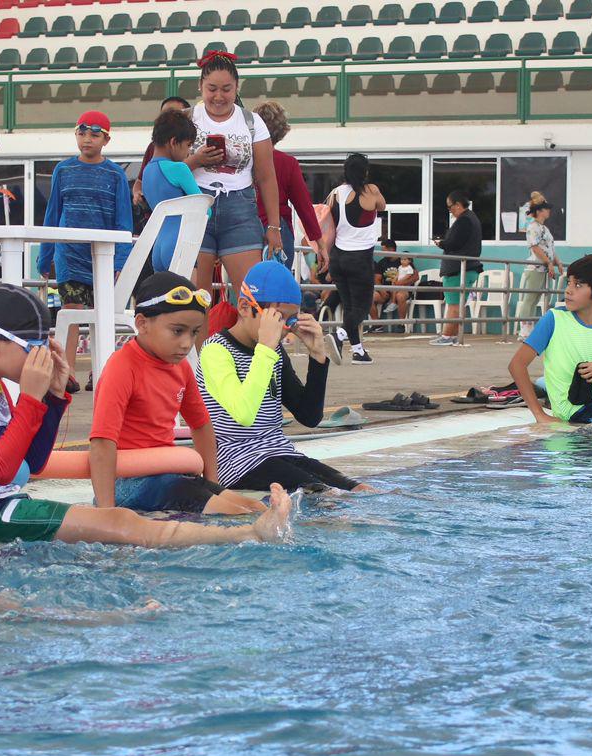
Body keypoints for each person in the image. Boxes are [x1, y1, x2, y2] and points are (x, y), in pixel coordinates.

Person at [0, 286, 291, 548]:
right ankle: (247, 535)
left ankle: (247, 531)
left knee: (117, 525)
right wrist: (31, 399)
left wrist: (52, 398)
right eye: (33, 348)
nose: (40, 358)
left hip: (2, 503)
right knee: (119, 523)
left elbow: (29, 464)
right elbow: (0, 469)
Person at [89, 271, 267, 515]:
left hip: (168, 474)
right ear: (142, 323)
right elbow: (101, 442)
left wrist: (213, 484)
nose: (186, 343)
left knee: (251, 506)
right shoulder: (122, 367)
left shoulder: (180, 367)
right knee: (232, 513)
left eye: (194, 332)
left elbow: (202, 425)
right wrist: (106, 513)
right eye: (177, 331)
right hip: (128, 484)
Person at [199, 260, 366, 493]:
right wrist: (265, 351)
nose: (285, 329)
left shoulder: (273, 351)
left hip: (278, 451)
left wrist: (318, 357)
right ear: (245, 307)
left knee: (358, 489)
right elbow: (244, 414)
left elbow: (309, 417)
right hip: (234, 460)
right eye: (278, 318)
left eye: (291, 320)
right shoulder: (215, 351)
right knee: (323, 495)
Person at [37, 109, 131, 388]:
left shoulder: (115, 175)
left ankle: (101, 371)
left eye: (94, 134)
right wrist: (45, 256)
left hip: (102, 257)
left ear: (106, 139)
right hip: (69, 255)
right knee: (72, 310)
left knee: (103, 315)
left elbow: (123, 221)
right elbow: (52, 215)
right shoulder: (63, 170)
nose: (87, 139)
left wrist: (120, 263)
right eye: (82, 132)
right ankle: (66, 373)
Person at [183, 51, 284, 300]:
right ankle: (200, 342)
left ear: (237, 87)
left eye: (226, 89)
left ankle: (248, 340)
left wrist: (274, 226)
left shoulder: (252, 122)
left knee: (249, 296)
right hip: (196, 205)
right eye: (212, 89)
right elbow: (165, 168)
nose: (219, 97)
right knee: (197, 298)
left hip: (240, 210)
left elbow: (267, 177)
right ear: (200, 86)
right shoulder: (186, 119)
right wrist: (197, 160)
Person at [508, 254, 592, 425]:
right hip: (570, 410)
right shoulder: (554, 319)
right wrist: (539, 415)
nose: (568, 290)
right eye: (568, 283)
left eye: (578, 285)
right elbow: (516, 365)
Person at [323, 153, 386, 365]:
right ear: (365, 172)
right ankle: (338, 336)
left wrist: (325, 255)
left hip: (338, 256)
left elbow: (327, 224)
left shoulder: (335, 194)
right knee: (362, 305)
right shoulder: (372, 190)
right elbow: (382, 206)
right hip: (360, 257)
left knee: (349, 306)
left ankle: (358, 351)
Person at [252, 101, 324, 275]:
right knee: (277, 293)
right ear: (281, 130)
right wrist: (319, 242)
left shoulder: (243, 161)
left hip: (246, 227)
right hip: (279, 230)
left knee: (247, 291)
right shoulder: (288, 163)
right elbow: (303, 206)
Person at [139, 107, 201, 276]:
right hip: (179, 244)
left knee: (164, 302)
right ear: (174, 142)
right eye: (188, 145)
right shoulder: (179, 168)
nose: (189, 152)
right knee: (189, 302)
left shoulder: (147, 172)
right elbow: (204, 209)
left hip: (158, 248)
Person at [433, 192, 482, 346]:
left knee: (453, 303)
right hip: (467, 267)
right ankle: (452, 335)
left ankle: (447, 336)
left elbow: (454, 243)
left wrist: (442, 243)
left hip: (459, 269)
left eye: (450, 207)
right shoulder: (471, 218)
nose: (449, 210)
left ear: (458, 205)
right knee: (457, 303)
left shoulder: (464, 220)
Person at [516, 198, 563, 335]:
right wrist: (548, 262)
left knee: (535, 298)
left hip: (543, 267)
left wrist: (557, 262)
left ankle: (529, 328)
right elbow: (535, 247)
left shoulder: (544, 228)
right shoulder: (533, 227)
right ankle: (524, 329)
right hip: (536, 267)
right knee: (530, 298)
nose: (549, 211)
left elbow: (550, 248)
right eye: (546, 209)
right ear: (539, 211)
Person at [375, 238, 417, 321]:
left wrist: (400, 283)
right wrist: (381, 291)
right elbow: (377, 279)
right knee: (371, 297)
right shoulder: (381, 263)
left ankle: (401, 324)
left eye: (384, 250)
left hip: (403, 290)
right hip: (386, 291)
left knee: (400, 296)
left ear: (392, 249)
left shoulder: (403, 260)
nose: (382, 252)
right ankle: (376, 325)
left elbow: (415, 277)